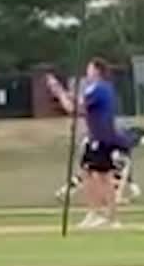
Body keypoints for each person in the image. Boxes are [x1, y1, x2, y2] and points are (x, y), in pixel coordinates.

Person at [46, 58, 125, 229]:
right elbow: (79, 103)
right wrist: (61, 92)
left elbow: (75, 108)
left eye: (89, 69)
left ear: (97, 71)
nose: (87, 72)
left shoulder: (98, 88)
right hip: (98, 136)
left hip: (101, 137)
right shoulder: (104, 88)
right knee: (89, 174)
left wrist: (59, 92)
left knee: (102, 177)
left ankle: (108, 217)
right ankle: (96, 214)